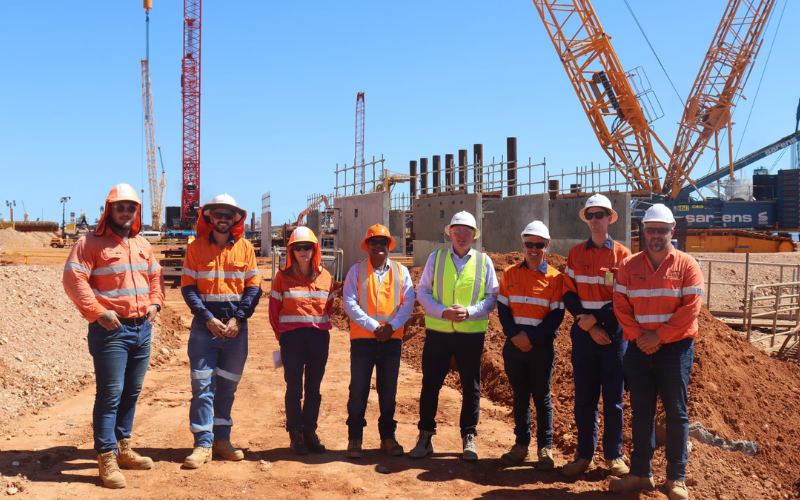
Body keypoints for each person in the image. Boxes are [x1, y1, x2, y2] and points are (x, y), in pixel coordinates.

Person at [63, 183, 165, 489]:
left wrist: (156, 303)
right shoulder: (90, 243)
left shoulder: (142, 244)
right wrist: (98, 312)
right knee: (110, 394)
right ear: (109, 210)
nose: (125, 212)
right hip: (112, 331)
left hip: (142, 329)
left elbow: (156, 276)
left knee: (131, 392)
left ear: (137, 212)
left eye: (131, 208)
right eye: (120, 207)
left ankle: (123, 447)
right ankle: (106, 456)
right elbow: (73, 278)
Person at [610, 204, 703, 500]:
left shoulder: (687, 265)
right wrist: (640, 337)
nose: (656, 235)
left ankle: (676, 478)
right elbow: (620, 305)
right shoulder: (629, 266)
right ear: (643, 230)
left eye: (662, 230)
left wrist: (659, 336)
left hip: (675, 350)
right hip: (639, 348)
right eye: (651, 230)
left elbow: (691, 309)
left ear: (671, 231)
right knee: (641, 412)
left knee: (676, 413)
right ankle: (640, 473)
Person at [410, 211, 499, 462]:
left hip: (471, 335)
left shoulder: (484, 261)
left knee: (471, 387)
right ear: (450, 233)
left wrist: (470, 311)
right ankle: (425, 436)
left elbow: (492, 297)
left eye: (466, 231)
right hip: (439, 333)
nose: (462, 235)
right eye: (457, 230)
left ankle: (468, 436)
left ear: (474, 235)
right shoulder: (435, 259)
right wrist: (443, 311)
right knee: (431, 384)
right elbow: (423, 292)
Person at [181, 194, 262, 468]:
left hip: (235, 330)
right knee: (202, 385)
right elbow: (188, 288)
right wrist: (207, 319)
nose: (224, 219)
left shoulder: (246, 248)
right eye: (219, 214)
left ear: (235, 219)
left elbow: (253, 288)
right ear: (210, 217)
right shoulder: (196, 248)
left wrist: (238, 319)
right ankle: (203, 444)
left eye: (229, 215)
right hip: (205, 329)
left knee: (227, 386)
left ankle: (222, 440)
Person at [561, 194, 631, 477]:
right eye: (590, 215)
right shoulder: (575, 253)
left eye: (599, 215)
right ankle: (584, 456)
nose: (594, 220)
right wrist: (588, 324)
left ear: (609, 218)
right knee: (584, 399)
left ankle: (614, 456)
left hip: (613, 334)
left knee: (613, 400)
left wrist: (597, 321)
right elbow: (568, 293)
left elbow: (624, 298)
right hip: (583, 332)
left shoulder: (622, 255)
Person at [342, 224, 415, 458]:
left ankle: (388, 437)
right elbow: (349, 303)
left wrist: (391, 327)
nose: (378, 246)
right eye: (374, 242)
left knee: (388, 391)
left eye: (383, 242)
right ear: (367, 246)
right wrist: (375, 327)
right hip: (363, 340)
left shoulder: (401, 272)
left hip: (391, 341)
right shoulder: (356, 271)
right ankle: (355, 438)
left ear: (389, 245)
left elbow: (408, 303)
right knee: (358, 389)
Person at [497, 221, 565, 470]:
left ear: (547, 245)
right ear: (523, 245)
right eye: (529, 244)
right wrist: (516, 336)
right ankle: (521, 445)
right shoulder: (509, 273)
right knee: (520, 396)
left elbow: (556, 316)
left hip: (541, 348)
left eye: (539, 244)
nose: (534, 249)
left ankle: (545, 448)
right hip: (515, 346)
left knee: (542, 397)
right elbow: (503, 310)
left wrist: (531, 338)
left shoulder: (556, 278)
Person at [269, 226, 335, 455]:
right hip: (292, 339)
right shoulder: (282, 277)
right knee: (294, 388)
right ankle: (296, 434)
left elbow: (329, 307)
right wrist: (283, 337)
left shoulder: (326, 277)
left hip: (318, 338)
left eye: (307, 247)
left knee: (314, 388)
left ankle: (310, 432)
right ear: (292, 251)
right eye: (298, 248)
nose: (303, 251)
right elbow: (274, 310)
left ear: (314, 249)